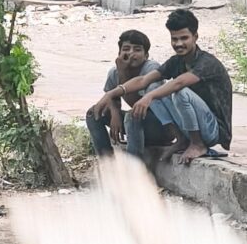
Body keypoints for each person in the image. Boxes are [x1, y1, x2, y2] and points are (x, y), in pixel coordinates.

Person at [125, 9, 233, 165]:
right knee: (153, 87)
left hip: (213, 130)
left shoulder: (207, 62)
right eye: (174, 39)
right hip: (190, 126)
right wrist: (111, 94)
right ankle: (181, 139)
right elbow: (143, 80)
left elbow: (179, 83)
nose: (179, 44)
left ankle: (197, 144)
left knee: (179, 92)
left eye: (184, 38)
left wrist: (149, 97)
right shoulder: (177, 61)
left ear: (195, 37)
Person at [84, 28, 154, 157]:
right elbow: (111, 98)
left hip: (158, 126)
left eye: (137, 50)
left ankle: (134, 164)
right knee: (93, 114)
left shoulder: (151, 69)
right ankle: (107, 162)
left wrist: (123, 72)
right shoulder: (114, 72)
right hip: (134, 125)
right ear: (119, 53)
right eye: (126, 49)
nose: (131, 53)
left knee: (132, 115)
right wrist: (115, 114)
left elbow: (137, 105)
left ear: (146, 56)